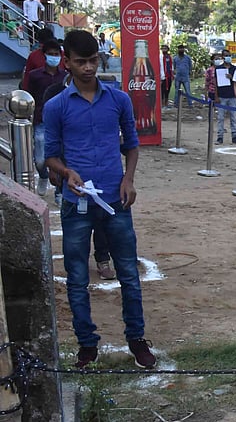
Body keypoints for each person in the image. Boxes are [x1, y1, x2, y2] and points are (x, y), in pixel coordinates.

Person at [43, 29, 156, 369]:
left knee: (129, 275)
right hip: (75, 204)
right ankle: (87, 344)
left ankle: (137, 340)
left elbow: (132, 144)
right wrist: (67, 173)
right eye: (81, 62)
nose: (89, 68)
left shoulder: (118, 100)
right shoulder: (55, 106)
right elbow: (50, 155)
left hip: (116, 200)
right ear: (67, 63)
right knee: (77, 278)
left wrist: (129, 179)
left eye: (93, 60)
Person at [25, 39, 66, 197]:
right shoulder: (35, 76)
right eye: (51, 54)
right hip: (41, 121)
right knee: (41, 159)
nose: (54, 57)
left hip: (60, 123)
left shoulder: (65, 76)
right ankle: (43, 176)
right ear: (45, 55)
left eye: (57, 54)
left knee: (60, 157)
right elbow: (29, 95)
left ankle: (59, 192)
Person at [214, 49, 236, 145]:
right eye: (226, 55)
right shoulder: (218, 69)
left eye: (229, 55)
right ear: (223, 57)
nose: (228, 57)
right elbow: (215, 83)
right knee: (220, 117)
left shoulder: (234, 69)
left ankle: (234, 136)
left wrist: (231, 77)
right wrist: (216, 96)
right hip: (222, 96)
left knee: (233, 117)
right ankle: (220, 137)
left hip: (232, 96)